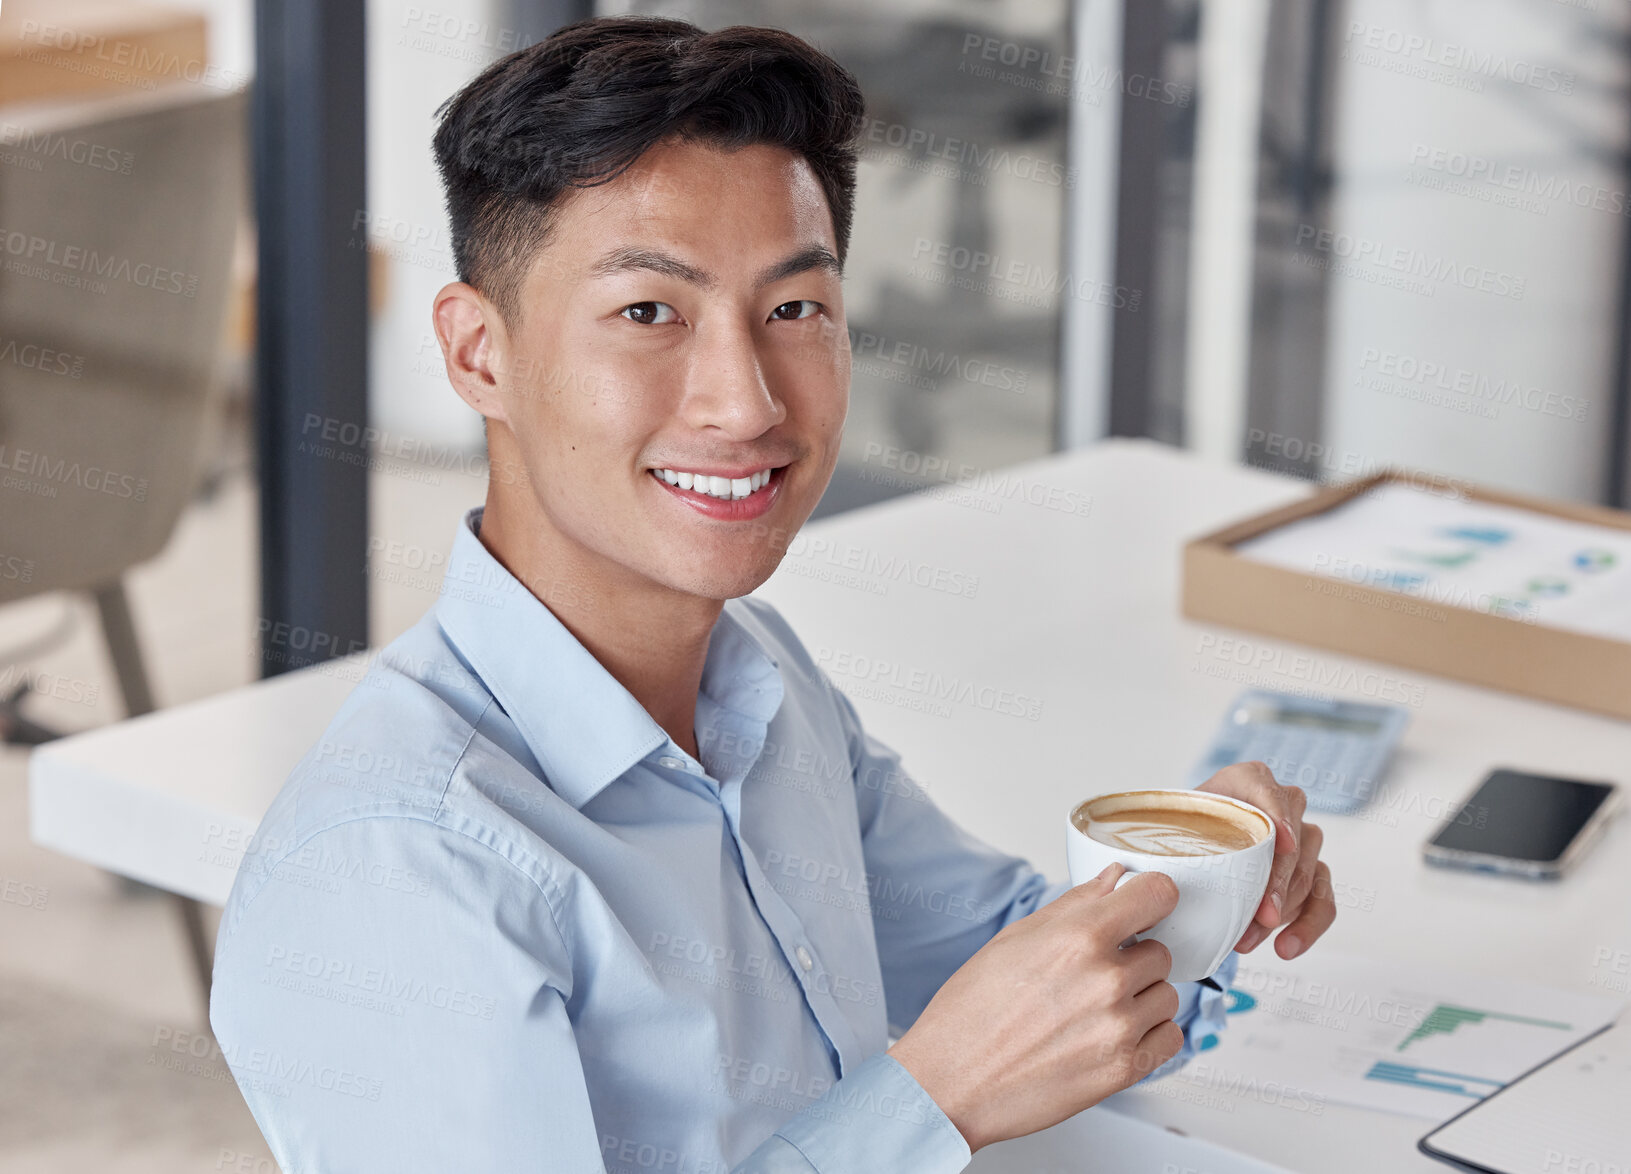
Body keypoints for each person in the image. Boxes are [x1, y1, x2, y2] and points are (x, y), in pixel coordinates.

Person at [209, 16, 1335, 1172]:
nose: (745, 403)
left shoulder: (758, 682)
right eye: (649, 313)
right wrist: (935, 1099)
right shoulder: (396, 868)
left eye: (793, 310)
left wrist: (1200, 883)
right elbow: (970, 1060)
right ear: (479, 354)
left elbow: (1015, 980)